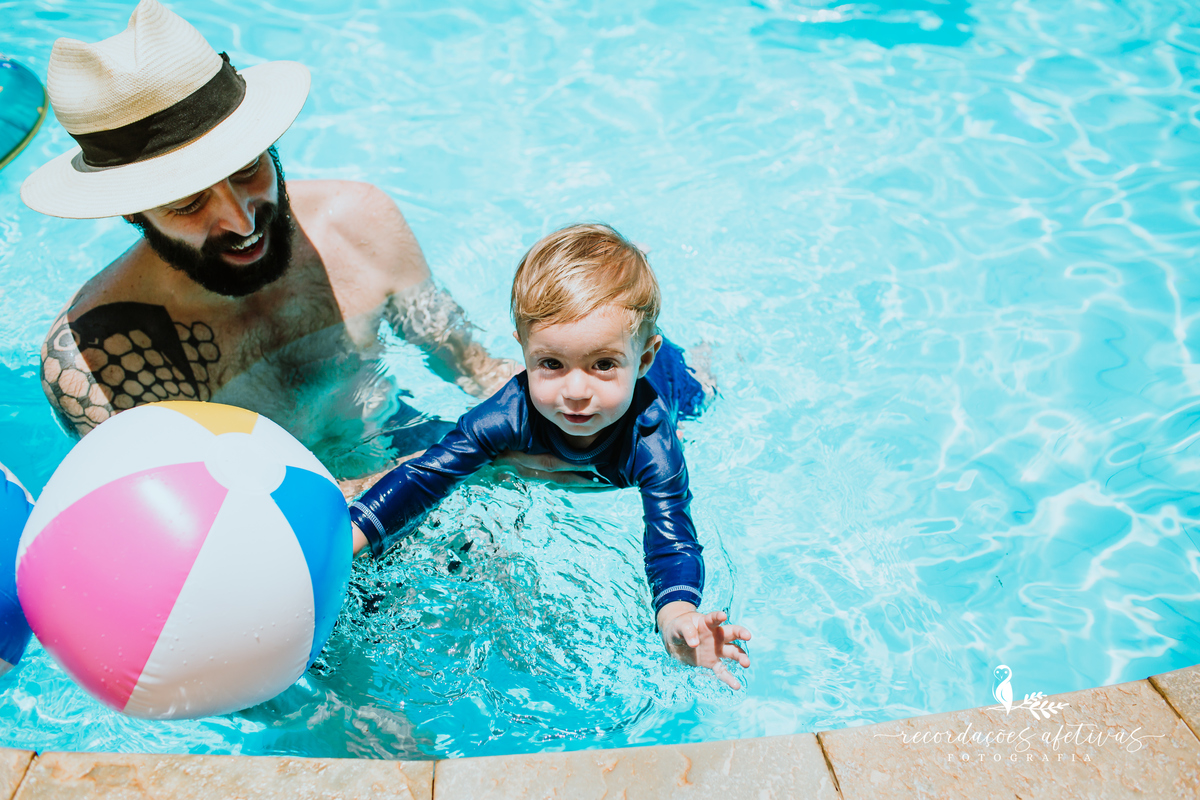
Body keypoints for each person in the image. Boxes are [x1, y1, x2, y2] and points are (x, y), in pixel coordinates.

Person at [22, 0, 517, 484]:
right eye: (191, 204)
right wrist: (455, 467)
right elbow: (212, 525)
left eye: (248, 169)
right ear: (132, 211)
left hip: (406, 445)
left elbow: (471, 365)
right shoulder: (99, 356)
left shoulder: (358, 223)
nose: (241, 220)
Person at [348, 224, 753, 689]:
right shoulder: (510, 411)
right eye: (551, 364)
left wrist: (677, 613)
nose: (576, 391)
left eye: (604, 364)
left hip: (676, 379)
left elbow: (672, 534)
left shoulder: (653, 438)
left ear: (640, 361)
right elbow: (428, 474)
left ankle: (699, 353)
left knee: (706, 390)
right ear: (522, 348)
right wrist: (348, 540)